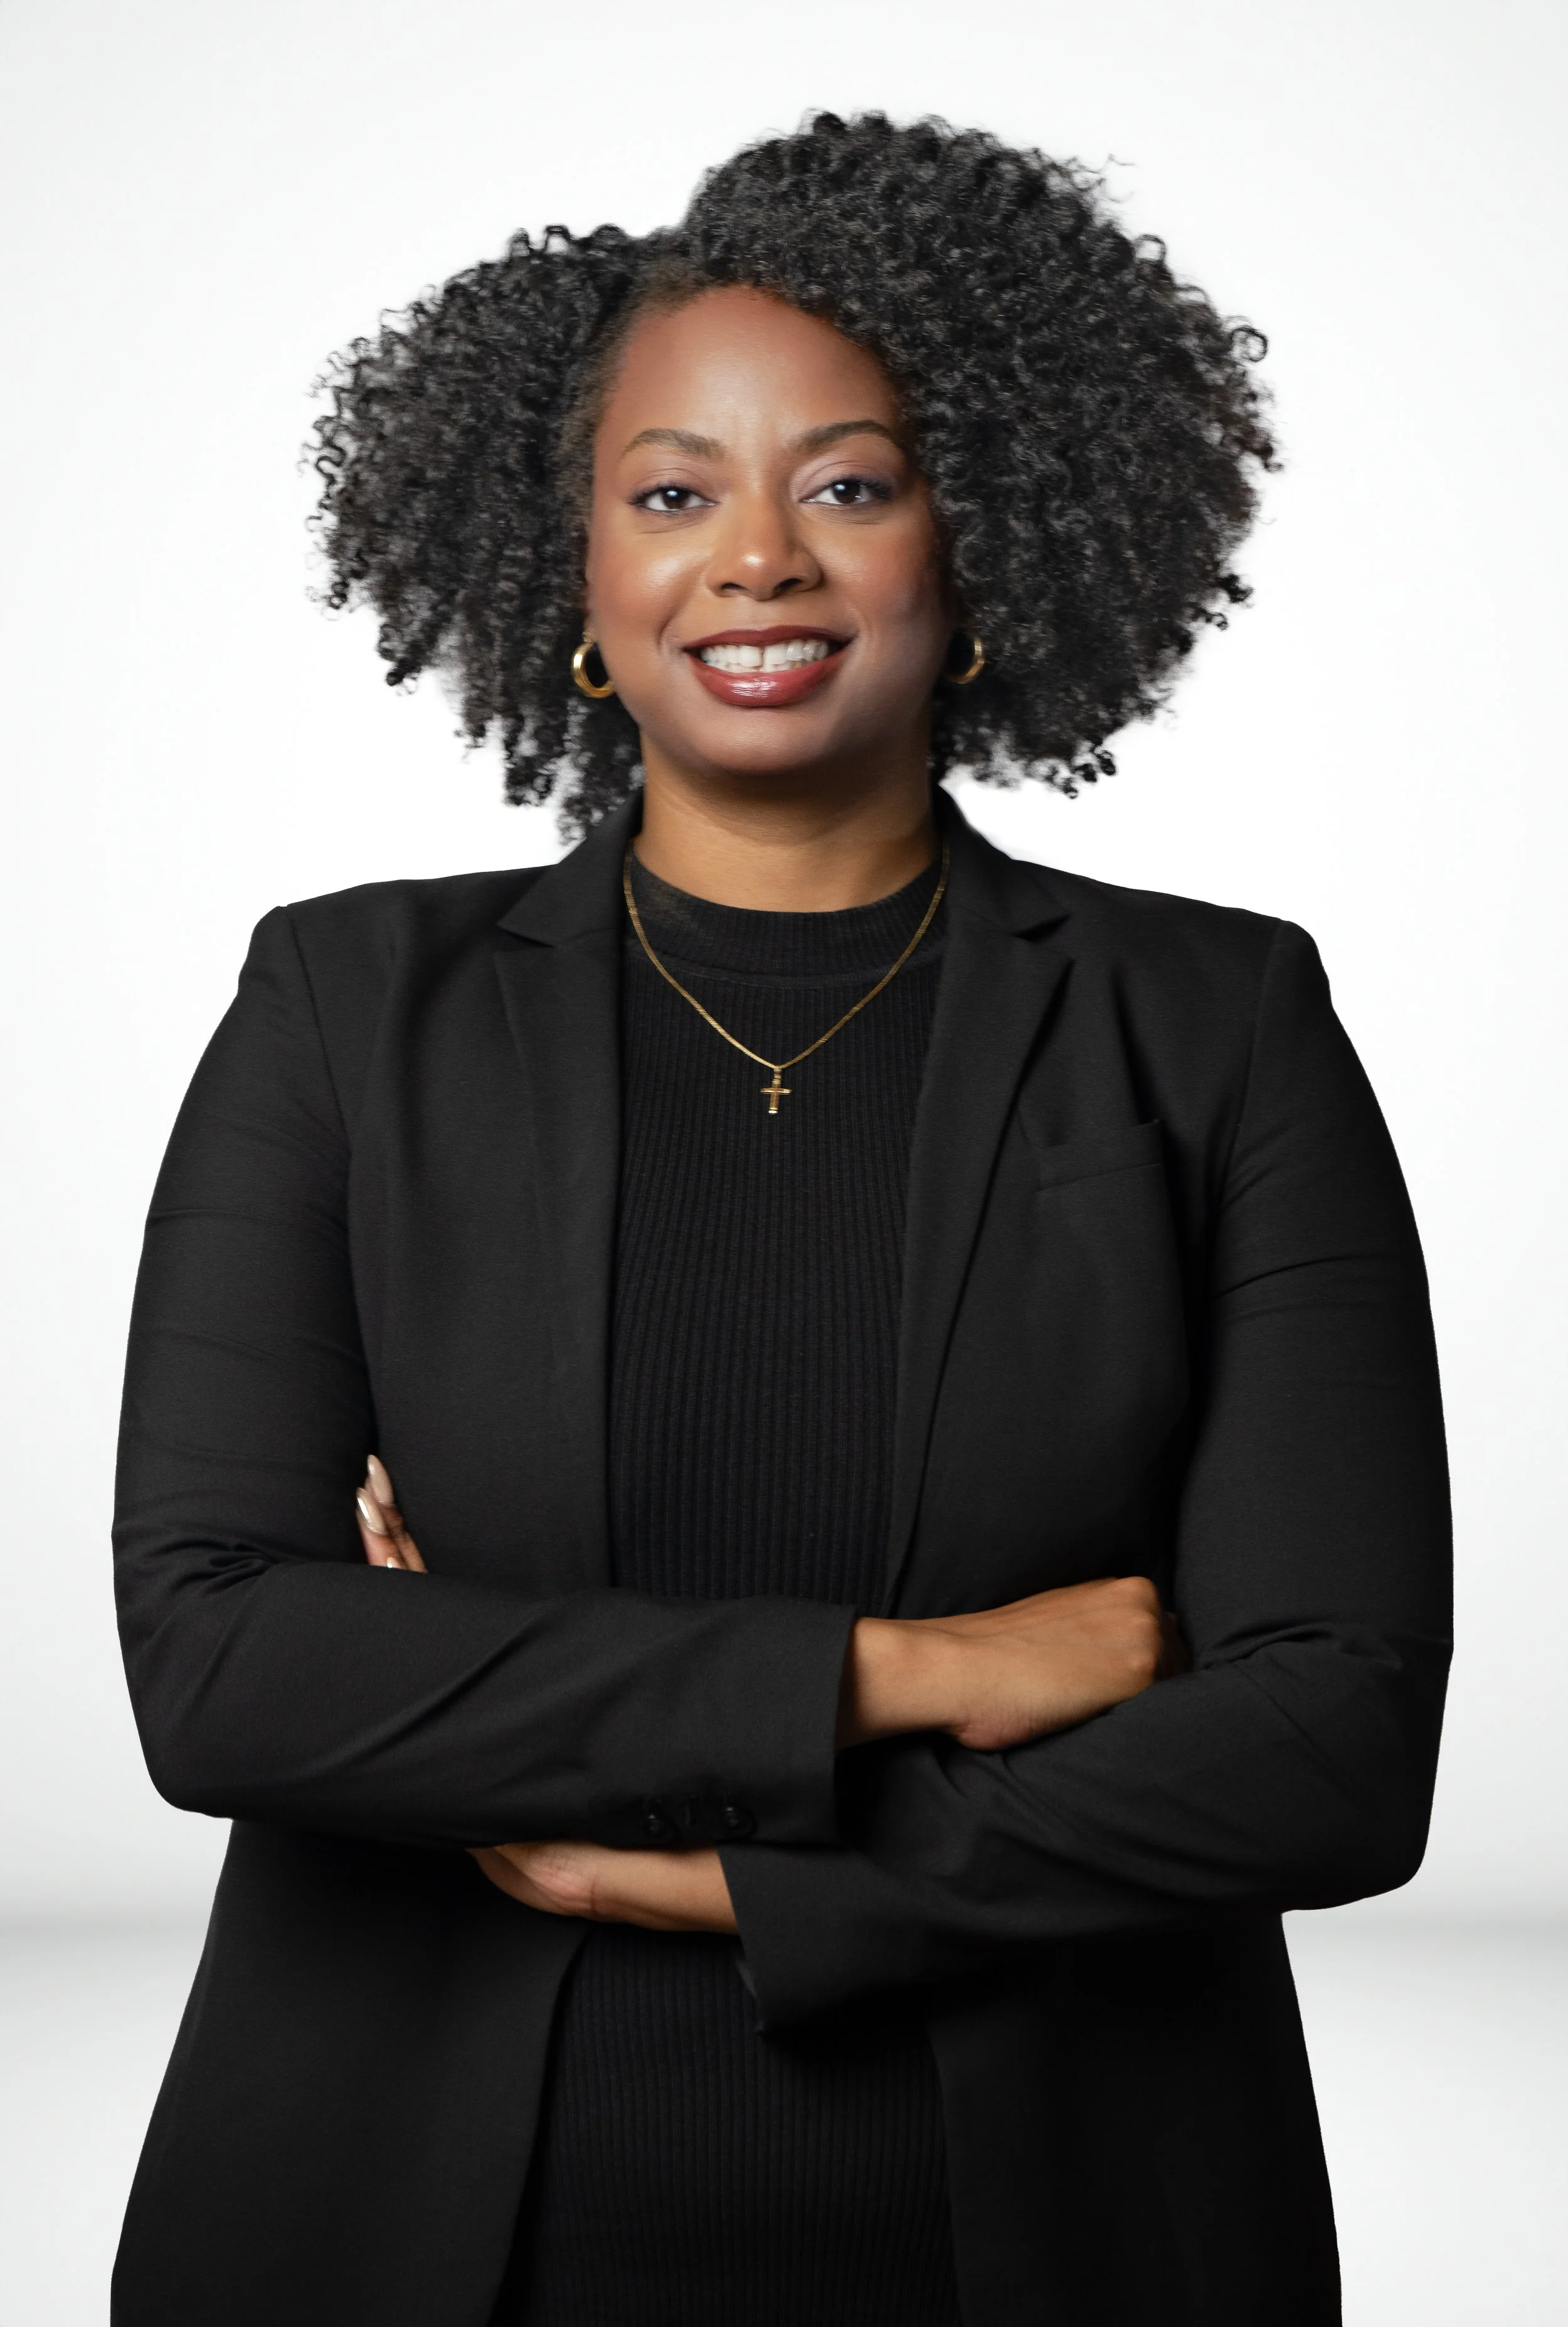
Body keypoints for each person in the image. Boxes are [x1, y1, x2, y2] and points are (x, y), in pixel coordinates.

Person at [110, 112, 1451, 2327]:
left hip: (1066, 2229)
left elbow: (1331, 1743)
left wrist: (728, 1875)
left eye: (848, 484)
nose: (755, 557)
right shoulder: (347, 1009)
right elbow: (225, 1669)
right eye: (671, 494)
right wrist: (916, 1673)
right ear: (573, 571)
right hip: (402, 2235)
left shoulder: (1215, 1024)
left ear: (980, 540)